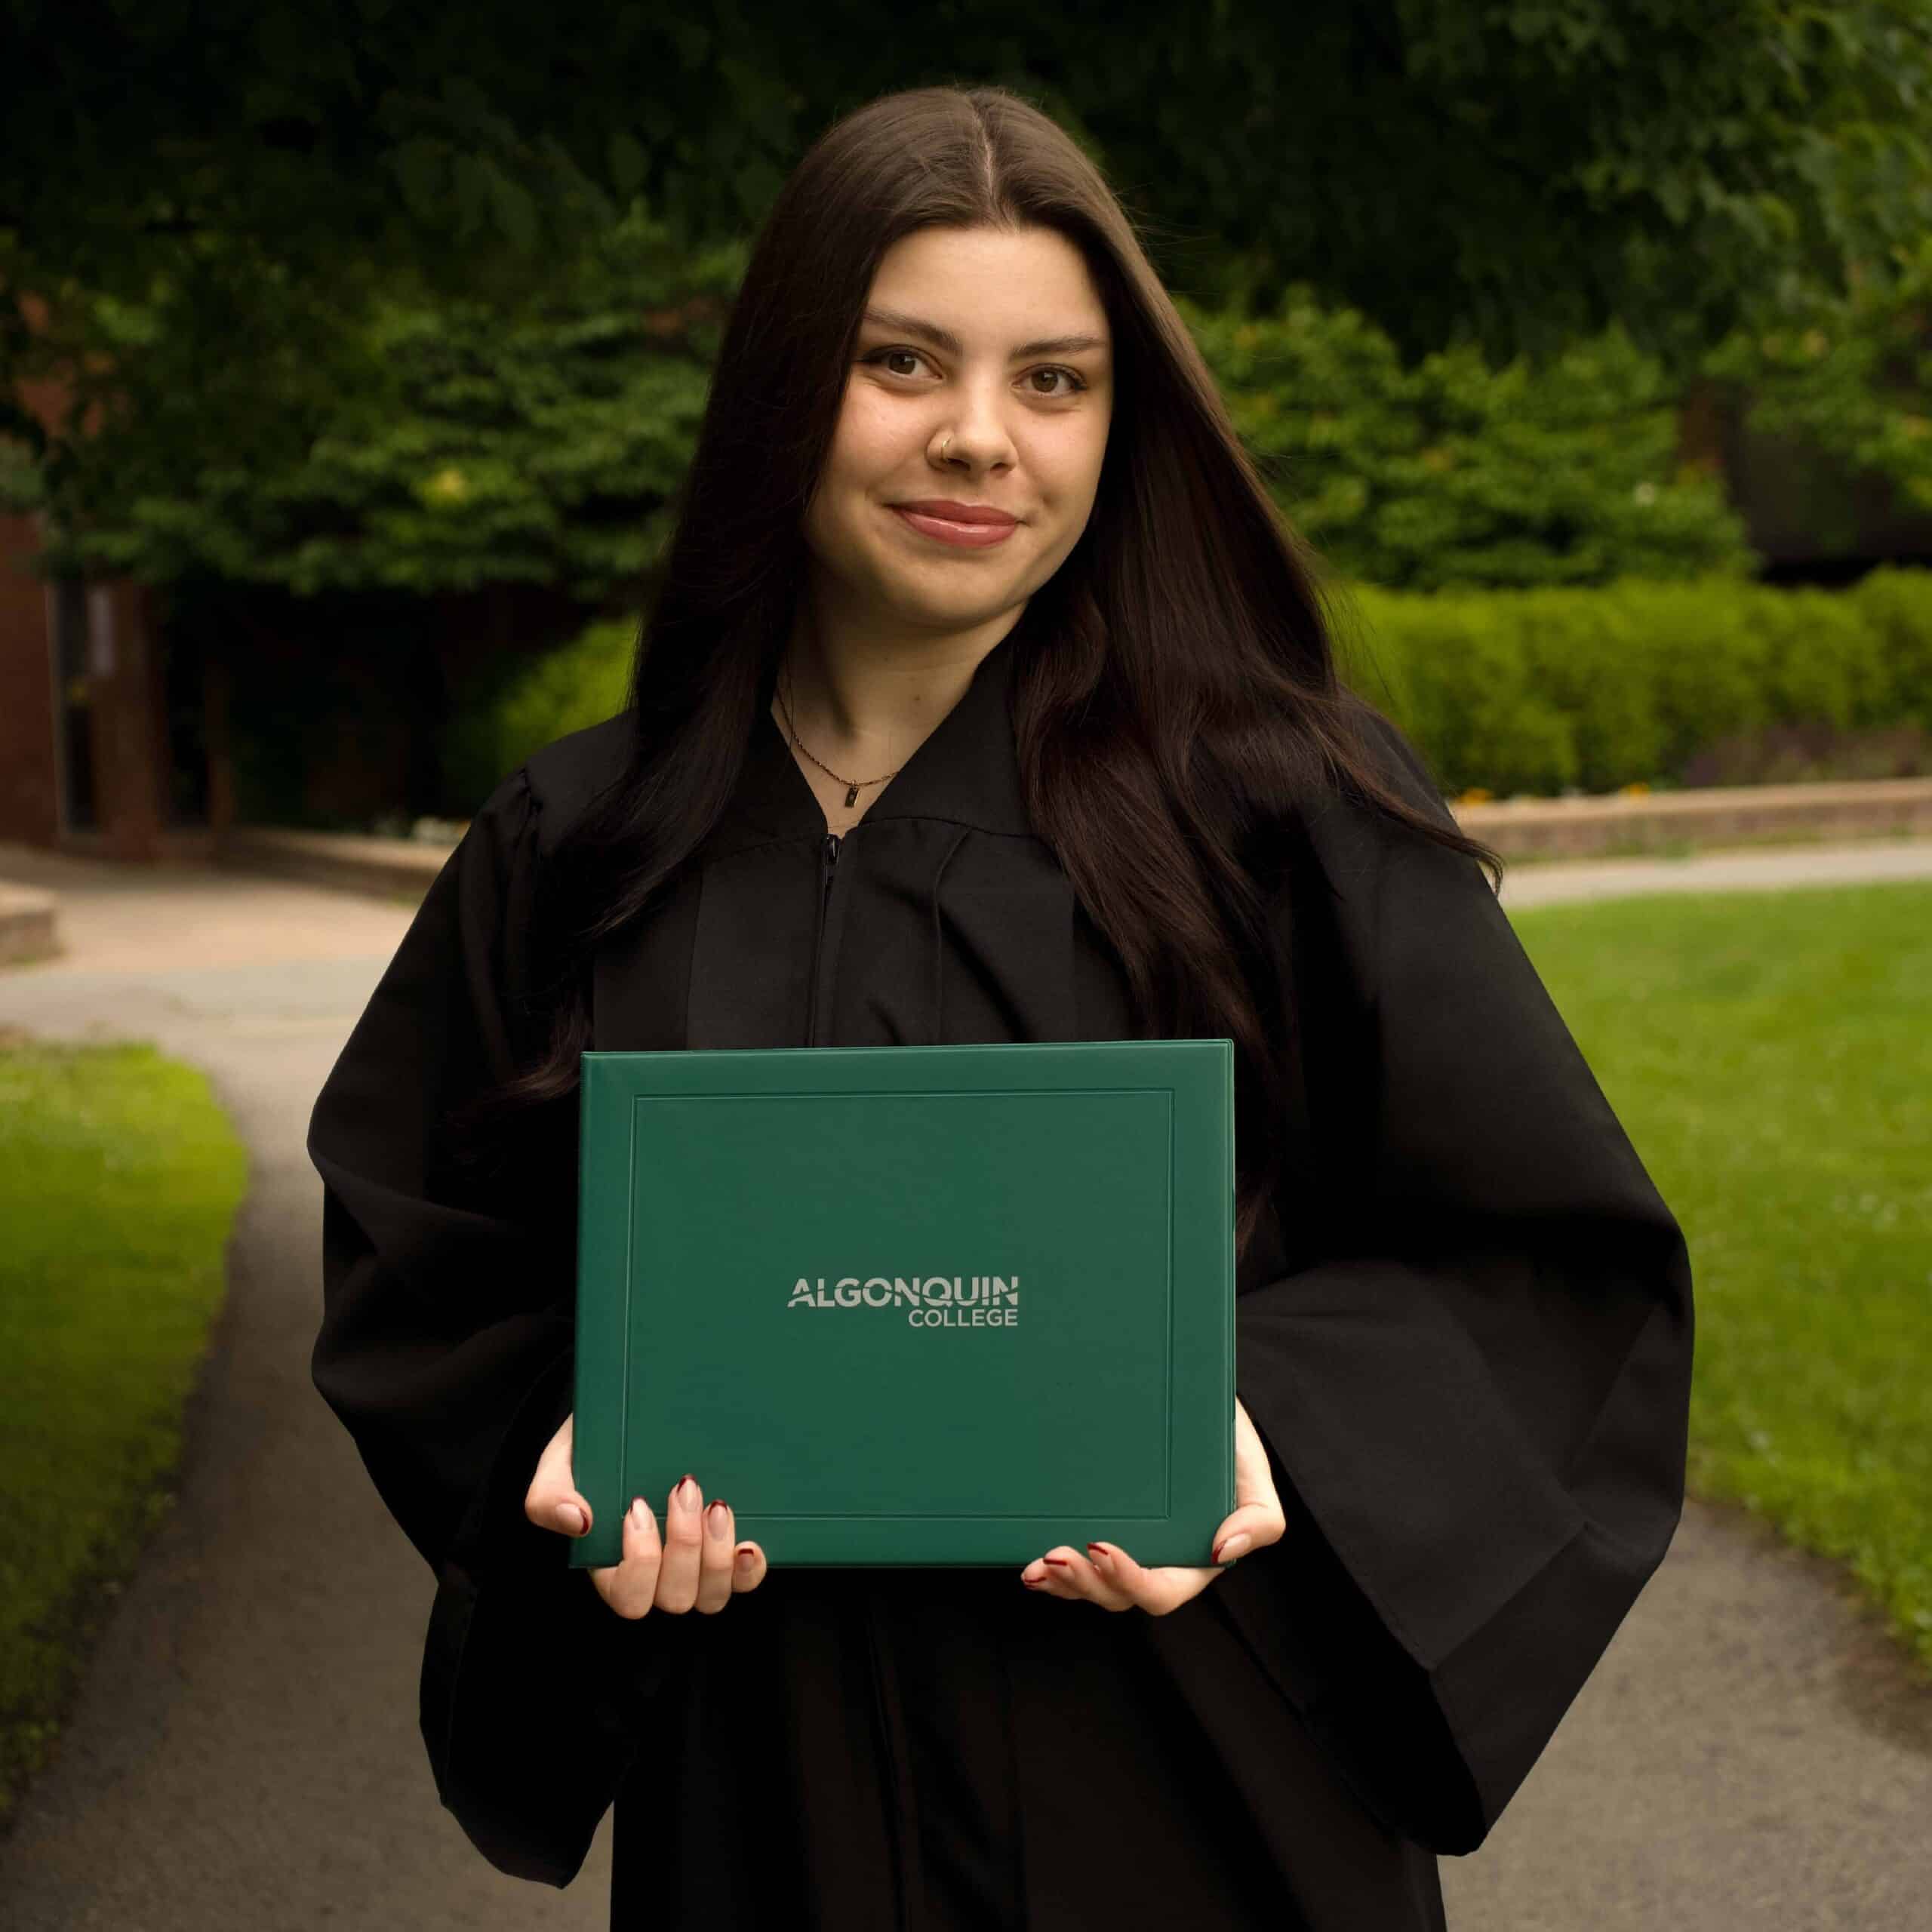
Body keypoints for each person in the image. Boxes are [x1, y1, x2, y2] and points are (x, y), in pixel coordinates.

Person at [307, 82, 1694, 1931]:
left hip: (1199, 1795)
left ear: (1121, 424)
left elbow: (1538, 1259)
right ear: (786, 380)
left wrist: (1260, 1426)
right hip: (766, 1788)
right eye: (902, 362)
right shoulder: (588, 837)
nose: (978, 439)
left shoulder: (1272, 806)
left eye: (1053, 380)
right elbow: (426, 1260)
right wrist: (573, 1454)